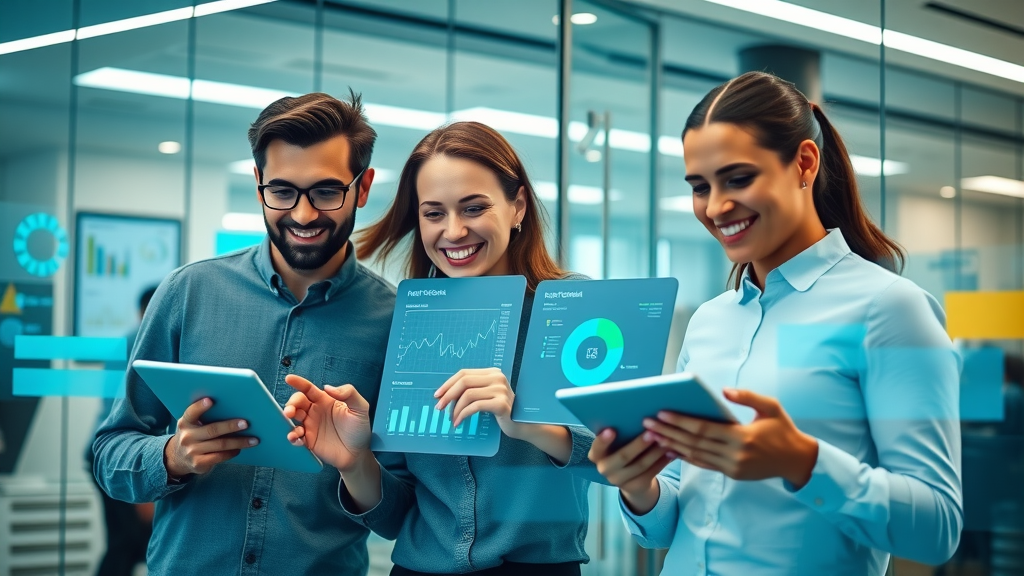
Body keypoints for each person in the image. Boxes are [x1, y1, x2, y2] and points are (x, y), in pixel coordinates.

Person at [588, 71, 963, 575]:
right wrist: (639, 487)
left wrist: (802, 462)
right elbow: (672, 524)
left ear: (804, 163)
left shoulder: (891, 310)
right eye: (701, 186)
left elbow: (937, 528)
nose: (717, 206)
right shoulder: (709, 321)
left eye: (739, 179)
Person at [92, 92, 395, 575]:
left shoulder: (393, 320)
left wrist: (356, 466)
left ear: (362, 188)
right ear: (258, 185)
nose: (302, 215)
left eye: (325, 192)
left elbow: (400, 512)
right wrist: (173, 455)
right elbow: (110, 455)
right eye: (282, 191)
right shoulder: (189, 293)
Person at [283, 121, 602, 576]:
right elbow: (396, 517)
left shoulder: (572, 308)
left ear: (518, 207)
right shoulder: (409, 323)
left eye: (473, 208)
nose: (453, 231)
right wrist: (355, 462)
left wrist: (527, 423)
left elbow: (616, 463)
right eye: (433, 213)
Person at [85, 285, 157, 576]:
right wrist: (144, 484)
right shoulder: (142, 341)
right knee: (126, 545)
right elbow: (137, 414)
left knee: (123, 543)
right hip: (122, 453)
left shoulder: (126, 341)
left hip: (101, 451)